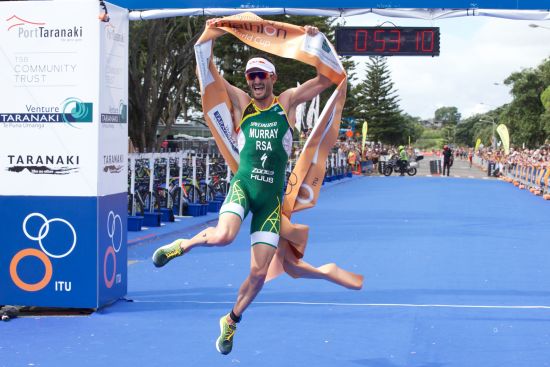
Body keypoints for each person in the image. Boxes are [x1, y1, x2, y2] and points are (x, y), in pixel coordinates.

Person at [151, 22, 332, 355]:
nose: (257, 81)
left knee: (260, 272)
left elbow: (326, 79)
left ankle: (231, 321)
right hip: (245, 187)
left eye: (262, 75)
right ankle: (185, 244)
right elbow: (207, 71)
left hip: (269, 203)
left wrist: (316, 41)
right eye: (252, 76)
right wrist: (210, 36)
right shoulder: (242, 103)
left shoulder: (287, 103)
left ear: (273, 79)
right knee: (223, 236)